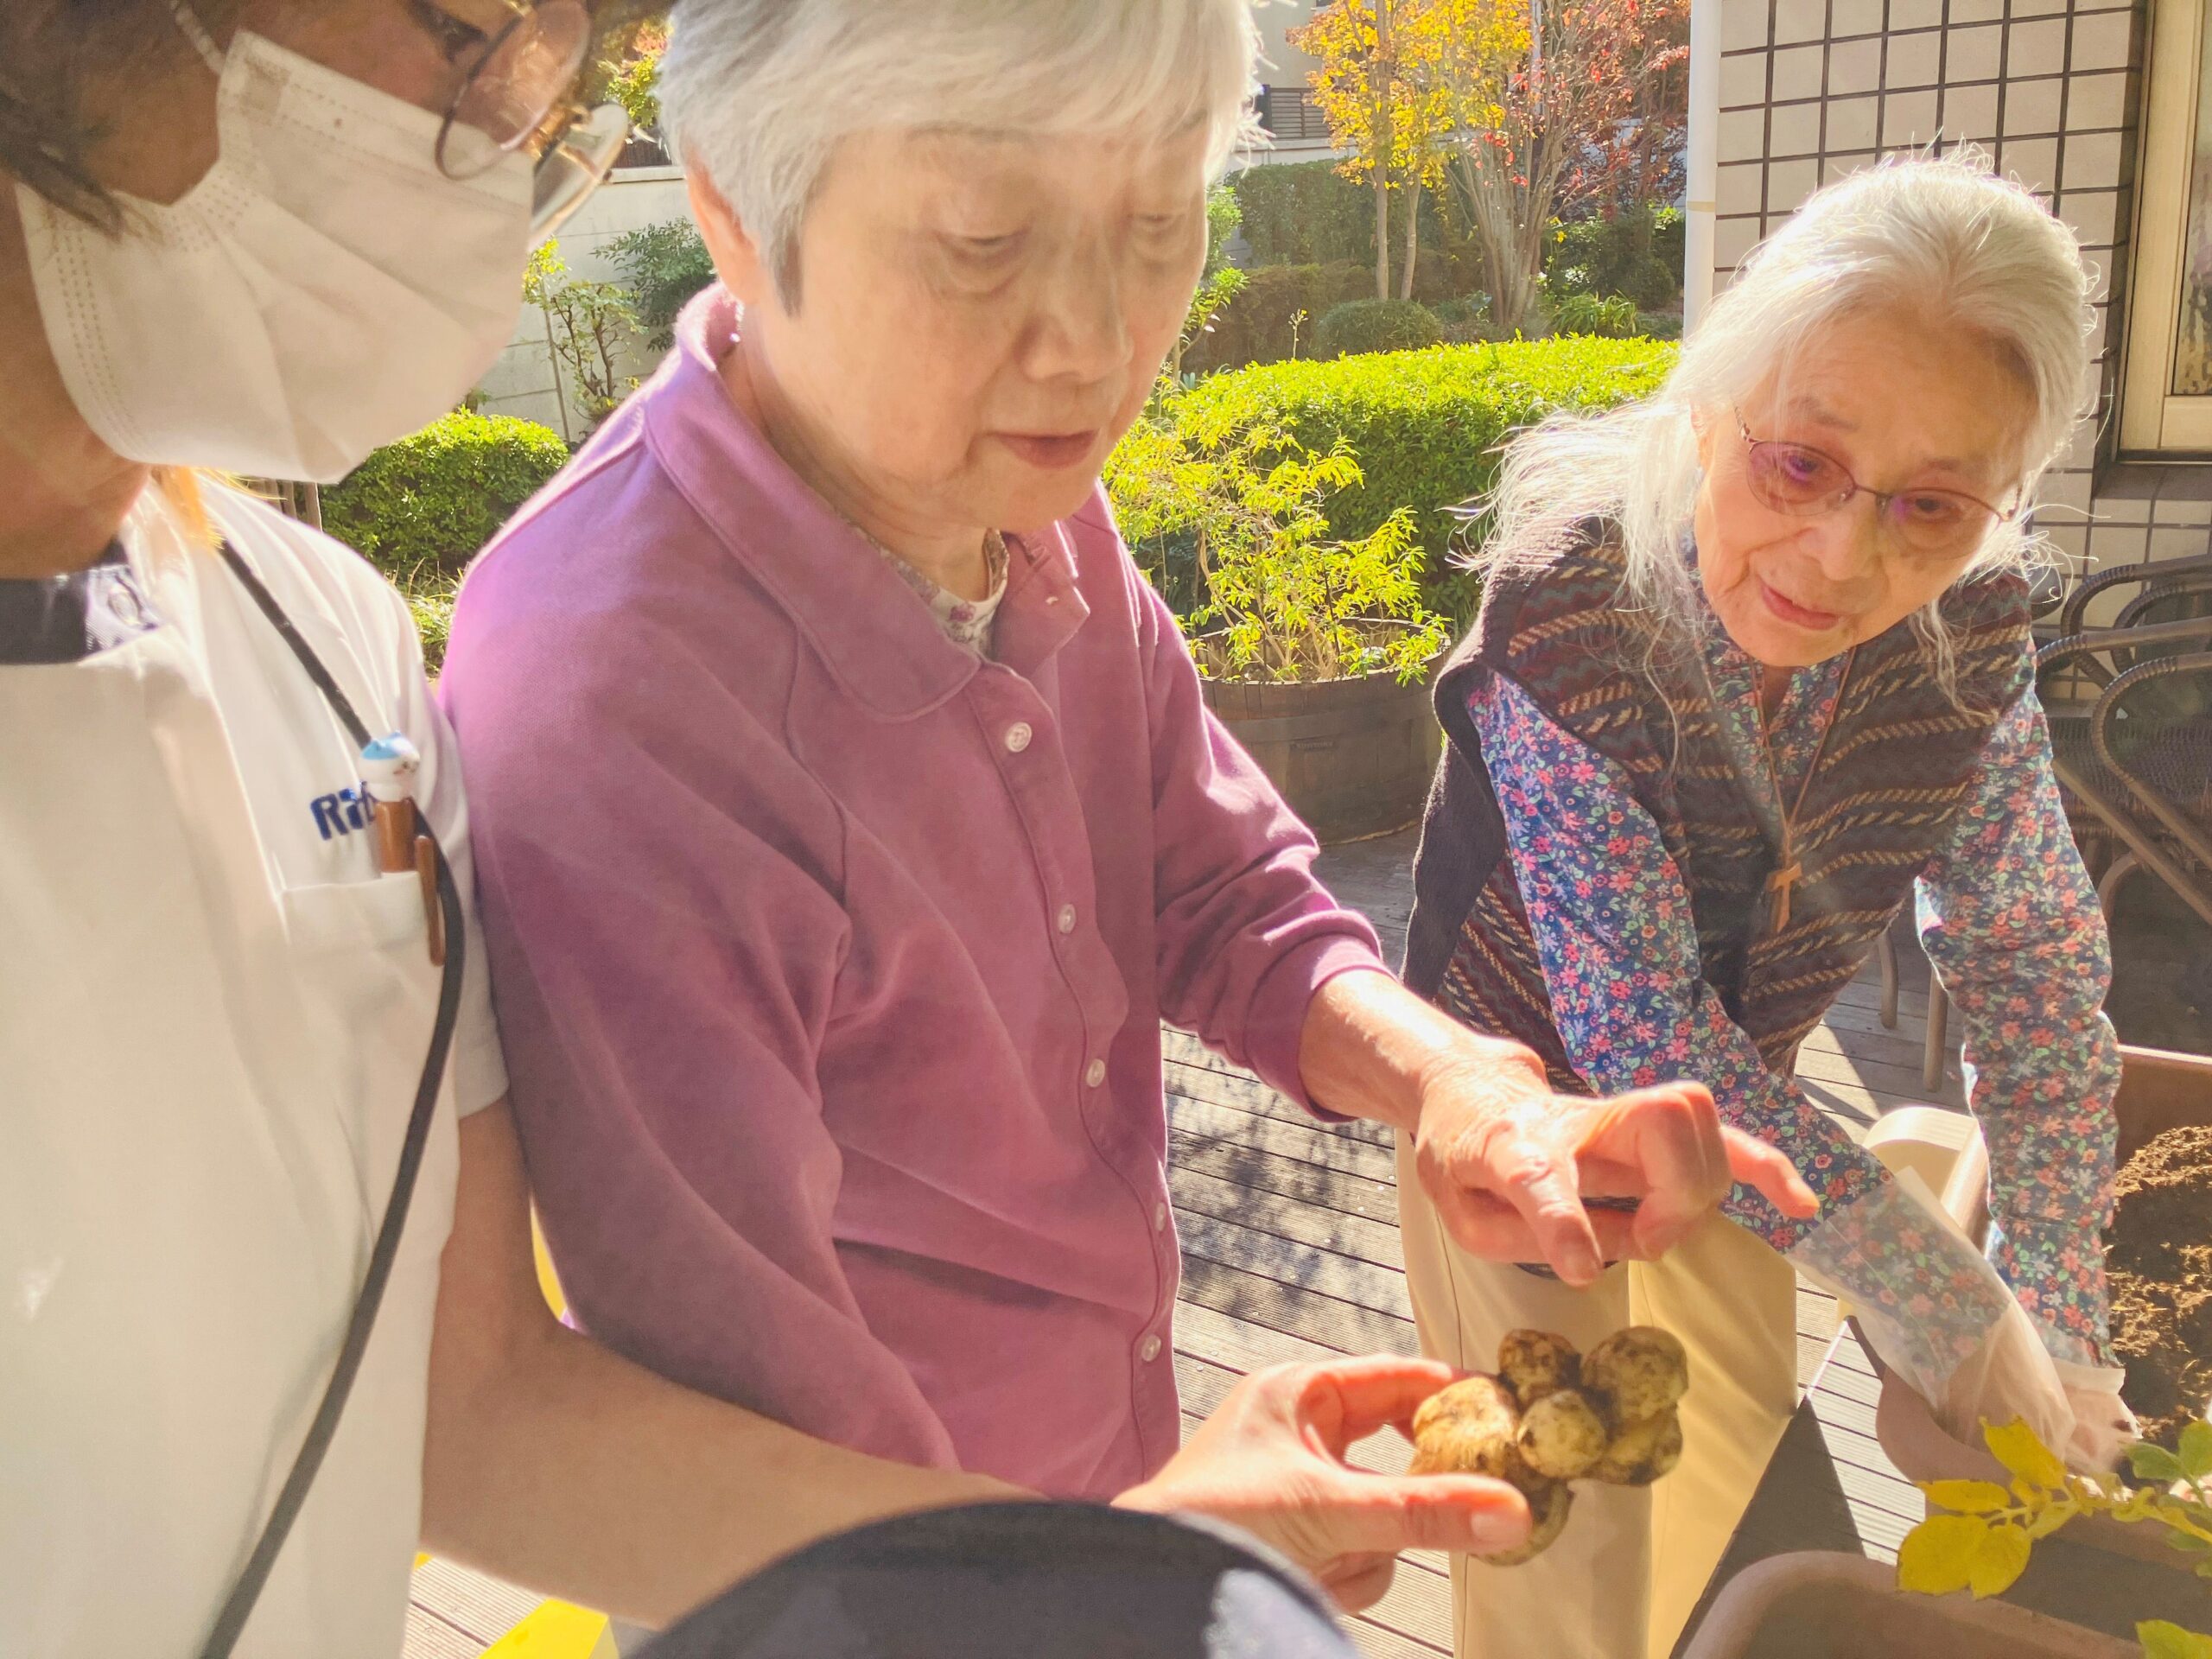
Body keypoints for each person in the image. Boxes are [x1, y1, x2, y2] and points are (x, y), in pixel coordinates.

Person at [0, 3, 1802, 1655]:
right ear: (731, 212)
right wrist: (1106, 1565)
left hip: (1066, 1502)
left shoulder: (344, 625)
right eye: (981, 240)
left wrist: (1457, 1084)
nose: (1093, 343)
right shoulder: (620, 683)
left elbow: (1213, 883)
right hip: (852, 1595)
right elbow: (715, 1389)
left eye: (1159, 225)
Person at [1399, 152, 2137, 1659]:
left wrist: (2057, 1316)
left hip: (1755, 1110)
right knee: (1560, 1514)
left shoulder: (1972, 631)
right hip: (1523, 1124)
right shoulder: (1575, 614)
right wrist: (1952, 1306)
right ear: (1711, 403)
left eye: (1932, 506)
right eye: (1799, 463)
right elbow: (1639, 1036)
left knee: (1727, 1460)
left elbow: (2033, 965)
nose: (1842, 557)